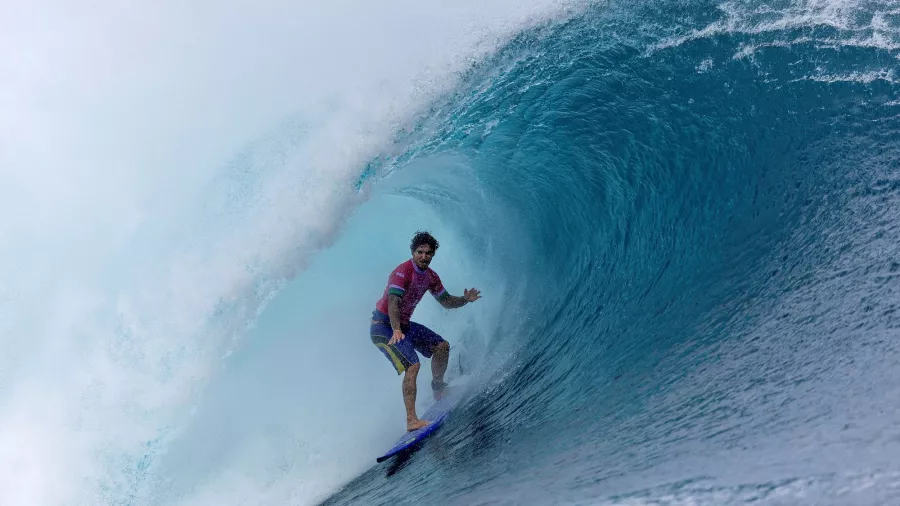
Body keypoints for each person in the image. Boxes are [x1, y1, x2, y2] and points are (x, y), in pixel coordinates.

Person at [370, 231, 481, 431]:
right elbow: (393, 303)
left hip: (403, 326)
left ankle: (438, 389)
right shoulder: (402, 272)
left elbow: (446, 302)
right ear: (413, 252)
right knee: (413, 365)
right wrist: (395, 329)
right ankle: (411, 420)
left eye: (428, 253)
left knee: (441, 347)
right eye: (420, 252)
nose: (424, 257)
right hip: (383, 326)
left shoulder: (430, 277)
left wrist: (465, 300)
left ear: (433, 254)